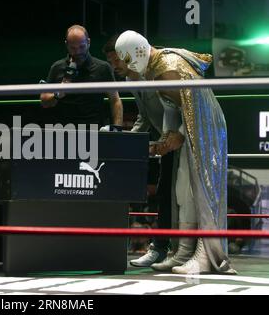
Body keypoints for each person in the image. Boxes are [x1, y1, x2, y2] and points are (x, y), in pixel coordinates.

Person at [115, 30, 236, 274]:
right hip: (189, 126)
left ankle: (206, 254)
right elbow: (174, 106)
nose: (124, 67)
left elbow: (195, 105)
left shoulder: (167, 66)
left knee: (200, 190)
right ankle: (183, 252)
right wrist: (167, 136)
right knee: (182, 189)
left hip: (204, 127)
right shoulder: (154, 67)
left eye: (125, 60)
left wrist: (178, 134)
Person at [102, 34, 182, 267]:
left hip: (181, 139)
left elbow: (176, 108)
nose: (114, 66)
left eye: (117, 60)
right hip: (166, 143)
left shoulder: (157, 73)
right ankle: (161, 248)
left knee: (176, 196)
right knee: (164, 192)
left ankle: (174, 250)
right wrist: (131, 142)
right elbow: (144, 116)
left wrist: (171, 137)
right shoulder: (131, 82)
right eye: (111, 61)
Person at [40, 25, 123, 127]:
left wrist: (117, 129)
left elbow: (115, 100)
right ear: (66, 45)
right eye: (73, 48)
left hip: (94, 132)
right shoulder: (57, 67)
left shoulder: (103, 68)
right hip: (63, 132)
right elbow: (44, 102)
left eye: (81, 46)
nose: (78, 51)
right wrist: (58, 94)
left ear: (88, 42)